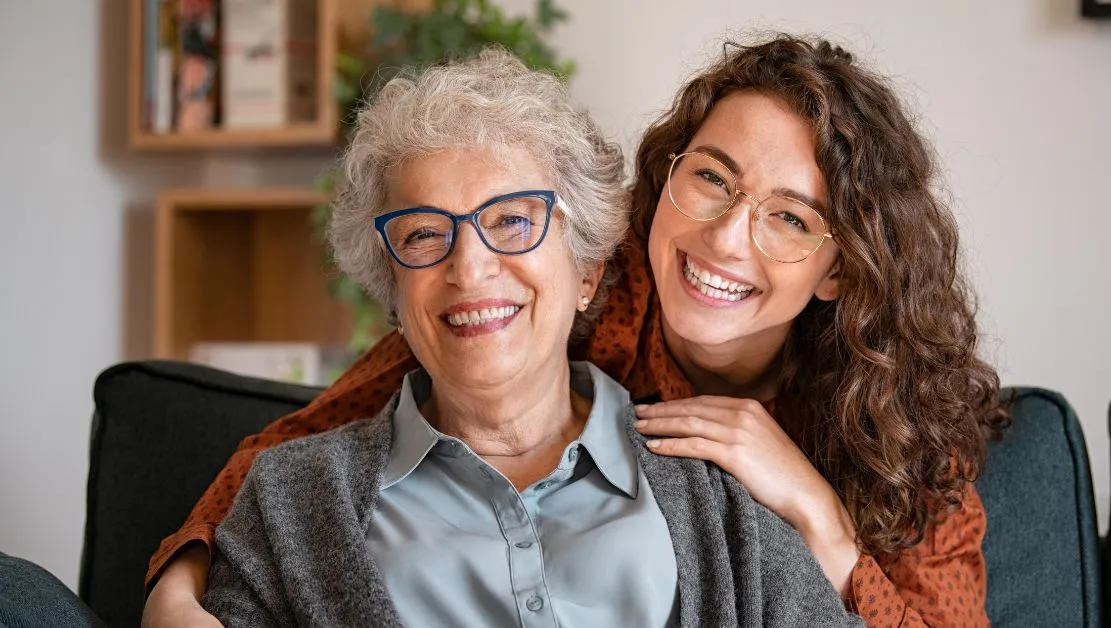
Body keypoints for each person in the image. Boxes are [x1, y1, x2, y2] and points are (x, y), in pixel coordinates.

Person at [144, 34, 1006, 628]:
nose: (725, 238)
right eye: (711, 178)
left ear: (840, 266)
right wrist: (179, 586)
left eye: (790, 217)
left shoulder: (901, 426)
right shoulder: (591, 286)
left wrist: (818, 519)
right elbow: (309, 445)